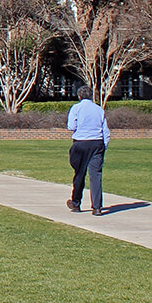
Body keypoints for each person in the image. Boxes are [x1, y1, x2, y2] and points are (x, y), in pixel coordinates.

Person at [66, 86, 111, 216]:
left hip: (81, 143)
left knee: (80, 173)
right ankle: (97, 207)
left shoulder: (76, 108)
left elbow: (71, 126)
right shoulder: (99, 109)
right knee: (96, 176)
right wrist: (103, 146)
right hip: (97, 143)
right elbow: (105, 131)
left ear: (79, 96)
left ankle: (76, 202)